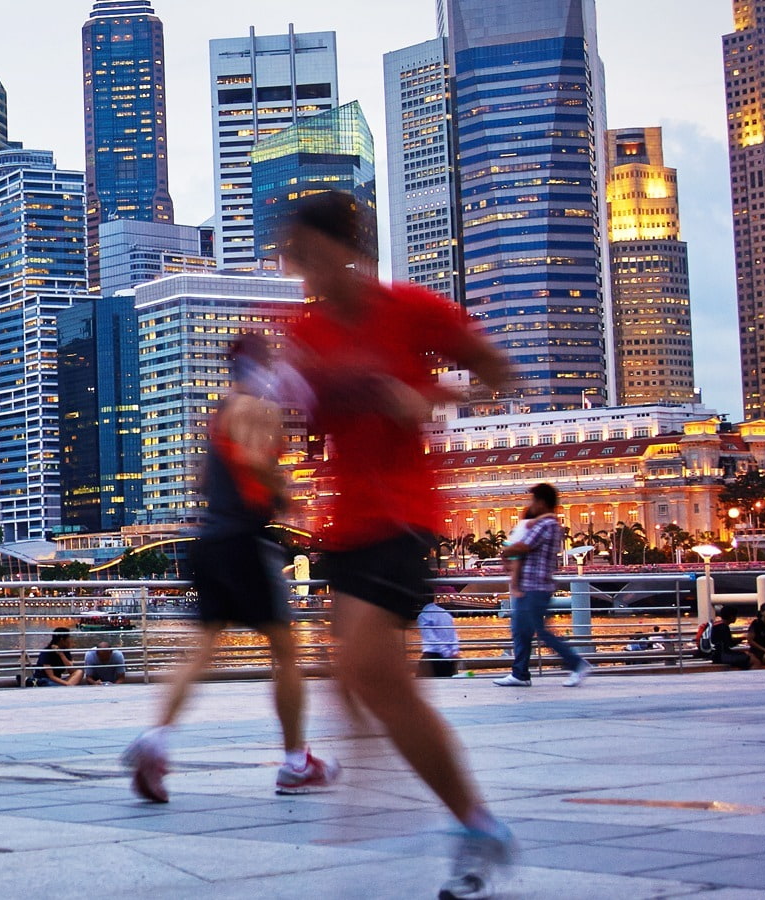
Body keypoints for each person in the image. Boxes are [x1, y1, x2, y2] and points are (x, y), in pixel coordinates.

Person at [278, 191, 516, 900]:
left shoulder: (413, 310)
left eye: (309, 254)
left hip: (403, 515)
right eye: (294, 257)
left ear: (347, 249)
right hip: (341, 523)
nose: (301, 270)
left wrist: (431, 395)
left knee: (372, 673)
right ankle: (432, 799)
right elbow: (298, 411)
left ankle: (476, 826)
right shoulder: (304, 329)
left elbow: (498, 375)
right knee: (360, 677)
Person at [124, 335, 340, 803]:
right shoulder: (256, 410)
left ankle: (154, 741)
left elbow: (203, 479)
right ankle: (296, 763)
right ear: (262, 365)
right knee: (285, 652)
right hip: (246, 540)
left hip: (210, 541)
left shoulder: (219, 413)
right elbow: (251, 460)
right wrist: (287, 498)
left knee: (202, 649)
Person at [492, 484, 594, 688]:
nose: (532, 505)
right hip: (531, 585)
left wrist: (505, 551)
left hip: (535, 586)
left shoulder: (546, 525)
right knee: (520, 630)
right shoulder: (547, 523)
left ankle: (577, 663)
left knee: (540, 630)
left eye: (534, 501)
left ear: (541, 502)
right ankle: (520, 673)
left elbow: (523, 546)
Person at [418, 601, 461, 678]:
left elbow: (431, 639)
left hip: (432, 656)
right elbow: (453, 634)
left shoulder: (423, 616)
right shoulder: (445, 613)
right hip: (450, 659)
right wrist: (454, 651)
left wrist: (446, 653)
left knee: (421, 684)